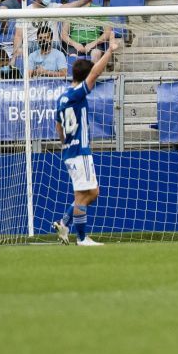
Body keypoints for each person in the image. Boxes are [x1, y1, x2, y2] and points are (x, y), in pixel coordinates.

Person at [52, 41, 118, 246]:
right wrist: (109, 51)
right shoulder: (78, 93)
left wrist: (65, 143)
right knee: (84, 195)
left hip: (70, 151)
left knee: (91, 192)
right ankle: (81, 238)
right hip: (80, 151)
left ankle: (64, 223)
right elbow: (96, 73)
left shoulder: (62, 98)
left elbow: (58, 126)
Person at [11, 0, 91, 65]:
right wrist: (14, 55)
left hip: (52, 44)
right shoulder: (25, 11)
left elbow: (70, 6)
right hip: (32, 45)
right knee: (19, 51)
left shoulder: (53, 7)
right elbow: (18, 36)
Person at [60, 0, 112, 64]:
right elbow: (64, 35)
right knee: (73, 58)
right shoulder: (70, 11)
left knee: (96, 54)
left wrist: (93, 43)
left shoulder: (99, 10)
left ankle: (93, 76)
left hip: (94, 44)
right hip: (75, 45)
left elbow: (108, 32)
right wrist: (75, 44)